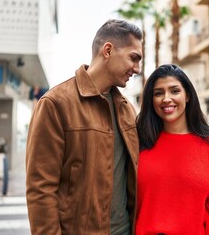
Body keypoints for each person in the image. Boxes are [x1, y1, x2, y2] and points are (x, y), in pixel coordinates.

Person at [26, 19, 143, 234]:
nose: (137, 69)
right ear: (107, 51)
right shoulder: (55, 104)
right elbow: (41, 189)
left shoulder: (127, 110)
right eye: (133, 58)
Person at [135, 64, 209, 234]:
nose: (166, 98)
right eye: (158, 93)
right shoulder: (139, 142)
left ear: (187, 95)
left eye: (174, 91)